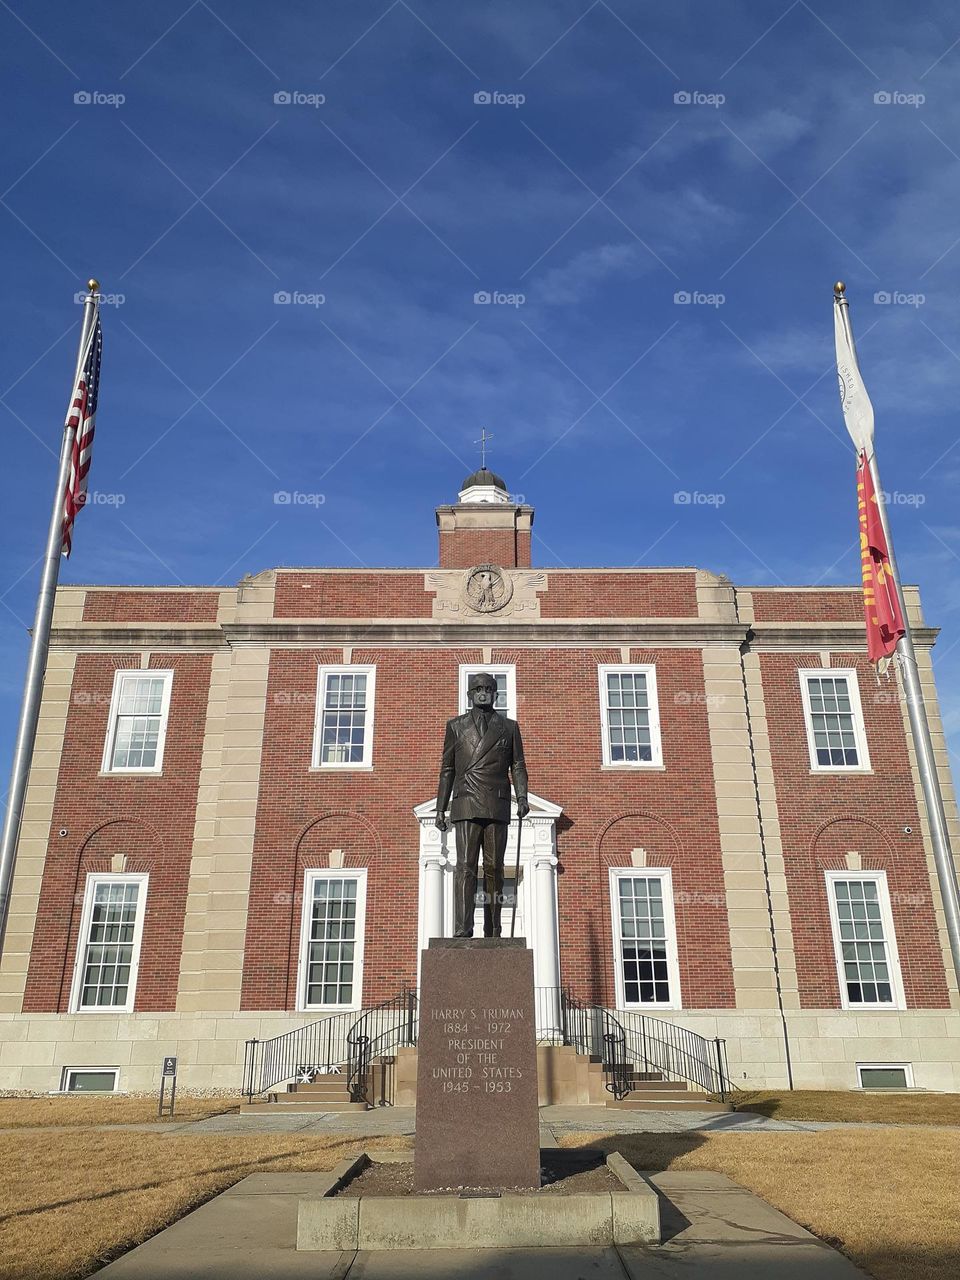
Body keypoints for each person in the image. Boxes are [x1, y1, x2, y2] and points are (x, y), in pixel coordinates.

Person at [435, 672, 530, 937]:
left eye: (488, 688)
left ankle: (493, 929)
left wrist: (522, 797)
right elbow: (447, 769)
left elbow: (518, 765)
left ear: (496, 694)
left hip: (496, 803)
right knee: (465, 866)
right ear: (469, 694)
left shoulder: (509, 727)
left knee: (494, 868)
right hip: (466, 801)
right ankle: (462, 929)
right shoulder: (456, 726)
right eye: (477, 688)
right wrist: (440, 807)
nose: (483, 692)